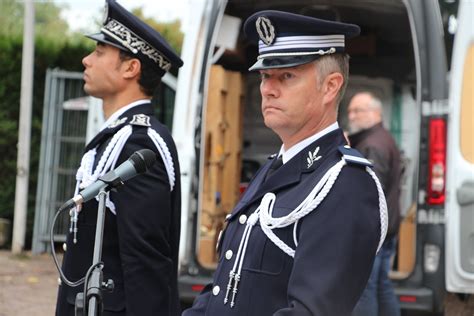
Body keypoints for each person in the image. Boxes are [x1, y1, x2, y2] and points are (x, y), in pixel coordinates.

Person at [183, 10, 387, 316]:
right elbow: (221, 290)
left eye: (286, 76)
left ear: (330, 87)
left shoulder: (346, 184)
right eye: (266, 75)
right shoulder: (274, 168)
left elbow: (312, 310)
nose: (267, 88)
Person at [55, 0, 183, 315]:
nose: (86, 60)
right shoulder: (117, 137)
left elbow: (144, 264)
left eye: (99, 52)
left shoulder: (138, 143)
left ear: (130, 67)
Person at [347, 92, 402, 316]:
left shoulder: (372, 146)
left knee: (363, 289)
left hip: (372, 232)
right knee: (381, 286)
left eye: (357, 111)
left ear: (375, 113)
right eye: (350, 110)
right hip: (386, 228)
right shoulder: (382, 138)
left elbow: (368, 194)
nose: (351, 116)